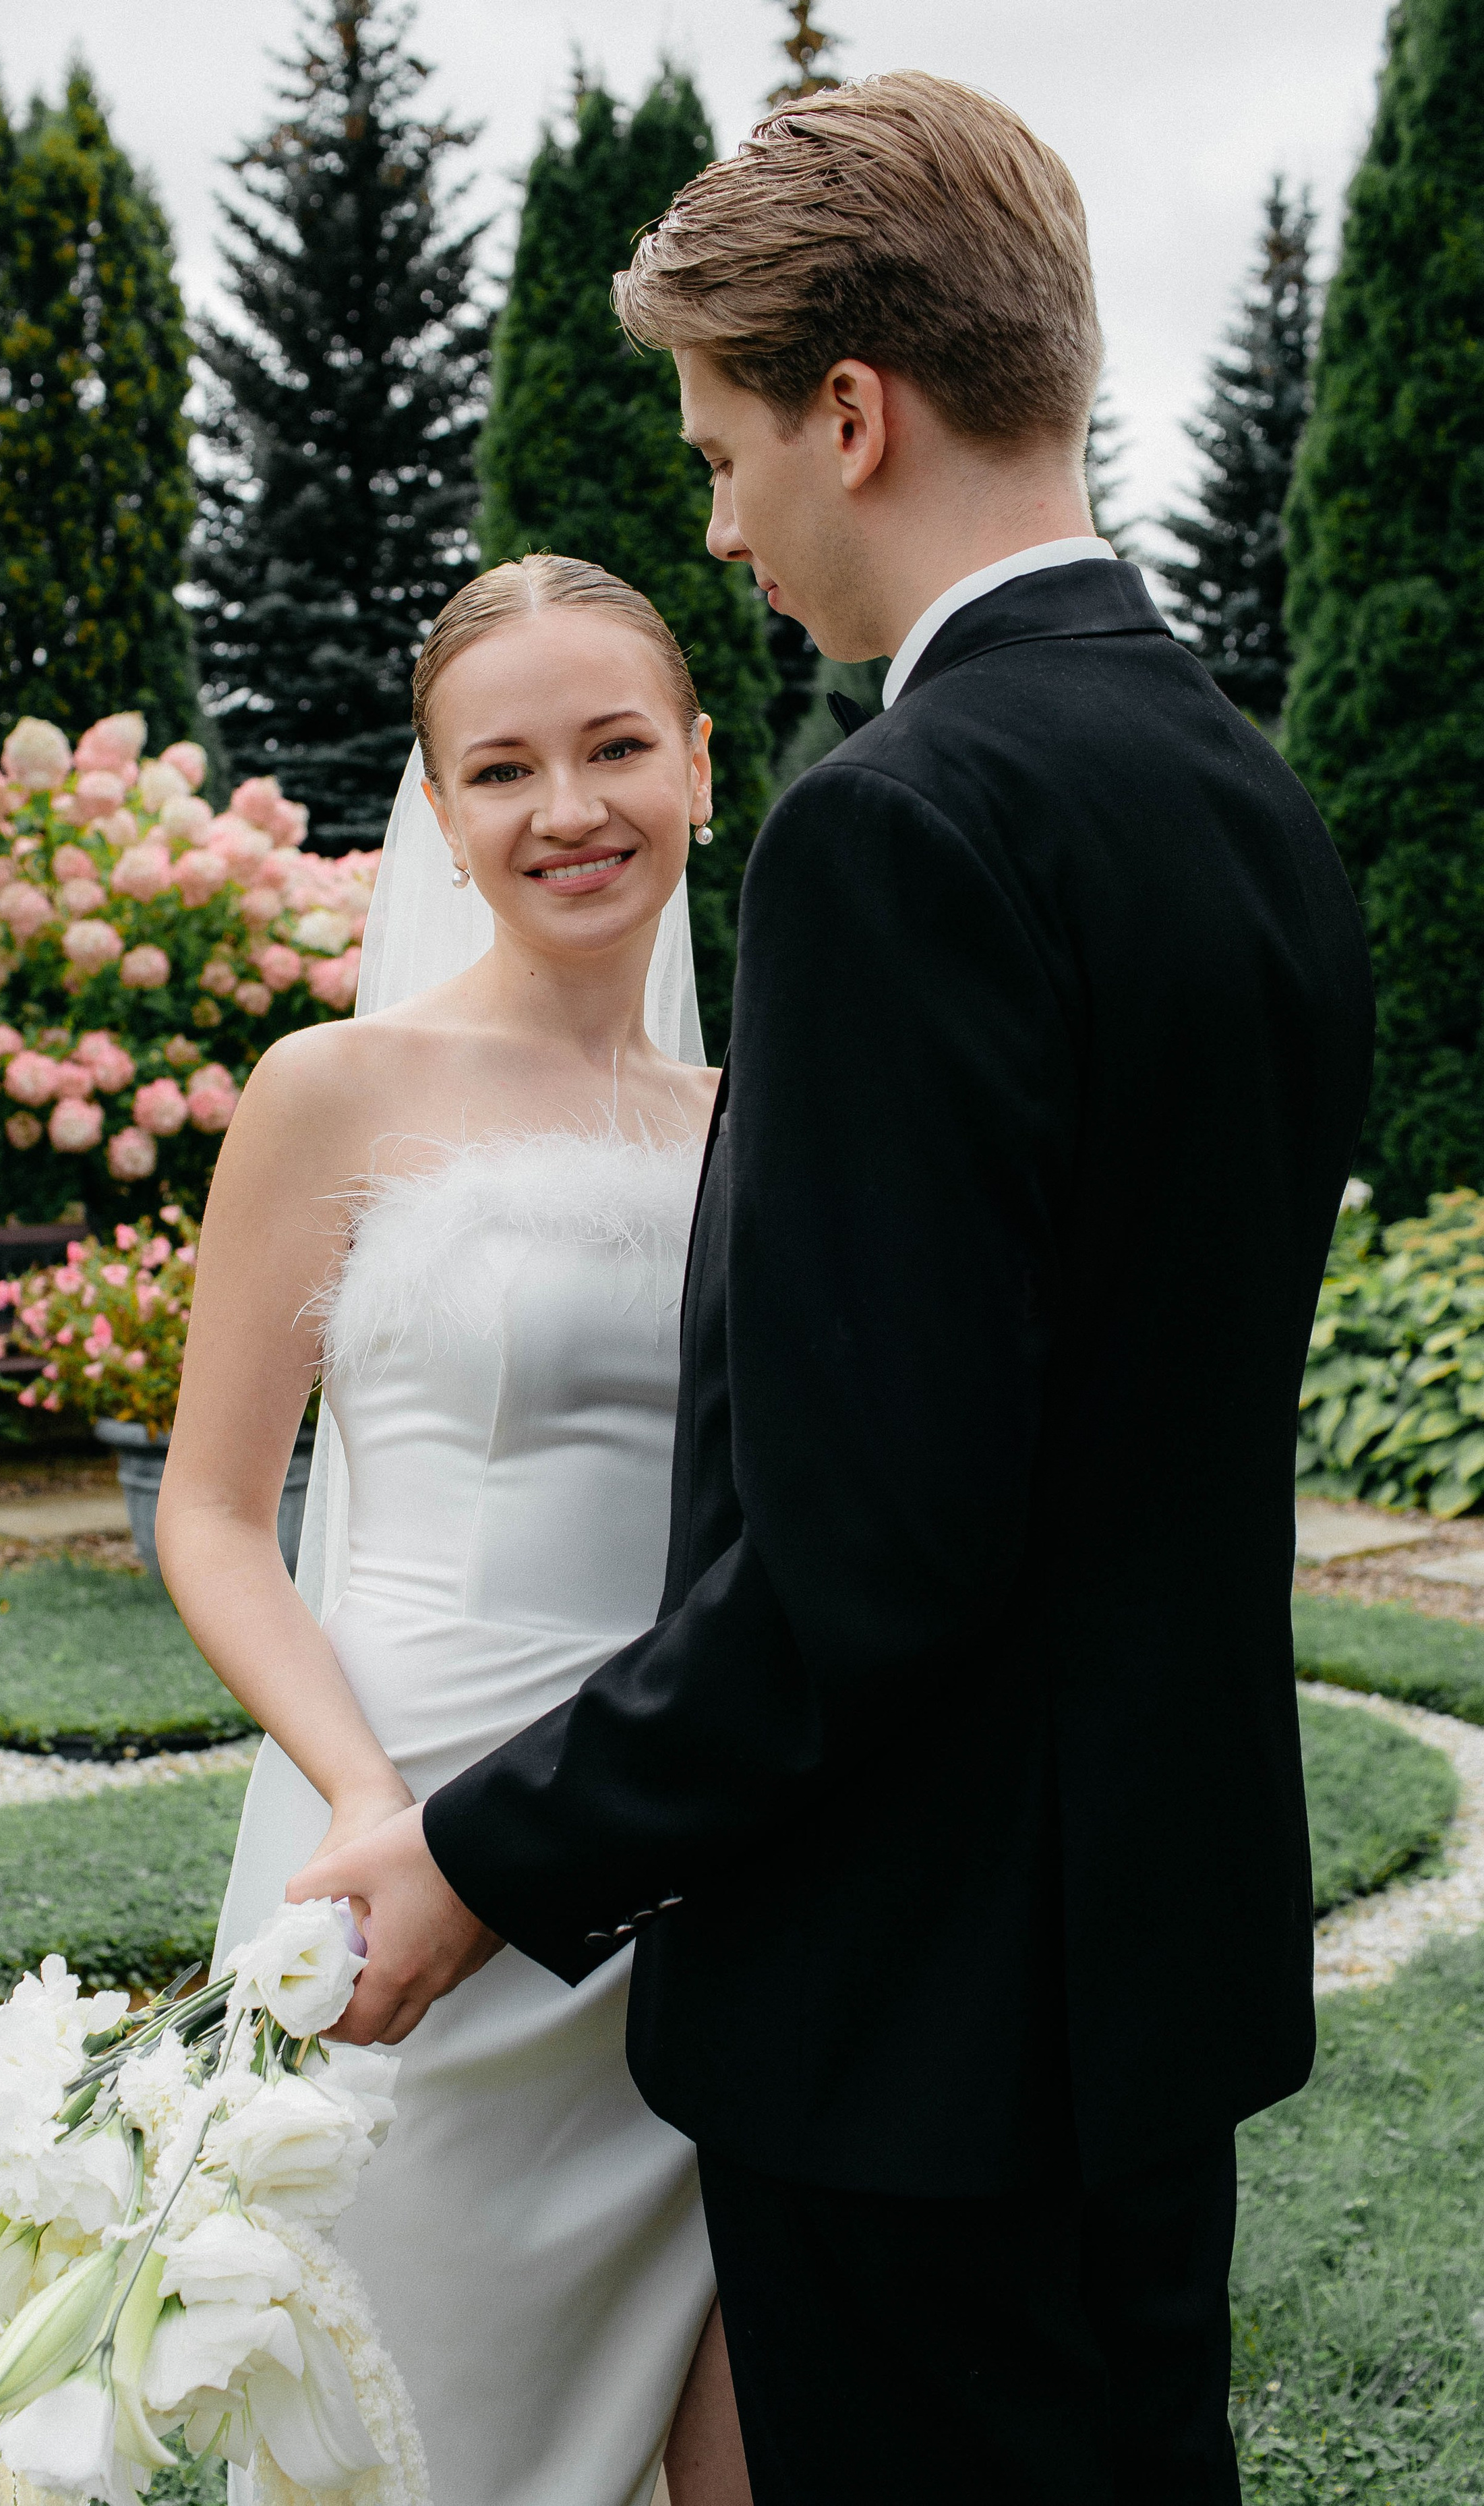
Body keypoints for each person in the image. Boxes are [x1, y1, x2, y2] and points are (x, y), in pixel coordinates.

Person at [297, 69, 1377, 2504]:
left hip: (913, 2033)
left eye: (722, 449)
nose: (725, 520)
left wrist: (483, 1857)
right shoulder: (1252, 803)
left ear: (853, 415)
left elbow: (869, 1556)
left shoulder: (901, 827)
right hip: (1149, 1998)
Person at [154, 554, 751, 2506]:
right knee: (395, 2412)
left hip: (685, 1868)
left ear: (703, 769)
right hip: (393, 1827)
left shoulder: (763, 1114)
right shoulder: (331, 1091)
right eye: (502, 768)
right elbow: (218, 1511)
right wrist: (359, 1802)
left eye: (614, 747)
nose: (567, 808)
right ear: (438, 811)